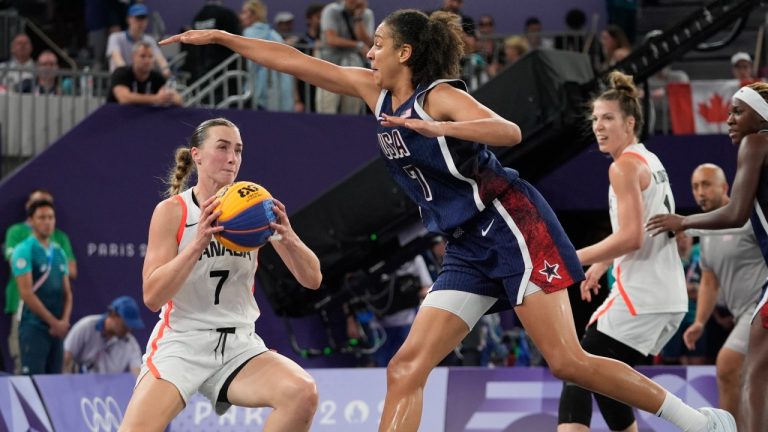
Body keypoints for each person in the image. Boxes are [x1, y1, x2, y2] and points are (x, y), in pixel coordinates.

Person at [160, 10, 736, 432]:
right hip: (464, 245)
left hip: (511, 224)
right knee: (405, 368)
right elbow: (296, 60)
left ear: (405, 54)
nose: (368, 53)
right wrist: (224, 38)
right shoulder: (374, 93)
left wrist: (444, 129)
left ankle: (696, 421)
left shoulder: (438, 97)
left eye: (379, 45)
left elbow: (507, 132)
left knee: (568, 361)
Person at [118, 118, 321, 431]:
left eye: (238, 150)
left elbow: (312, 279)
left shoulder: (253, 207)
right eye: (223, 148)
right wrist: (197, 244)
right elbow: (152, 296)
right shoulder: (174, 211)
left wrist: (288, 236)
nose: (232, 158)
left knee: (302, 393)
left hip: (238, 343)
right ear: (197, 155)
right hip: (183, 342)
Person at [558, 71, 689, 432]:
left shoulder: (623, 167)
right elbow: (637, 228)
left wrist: (571, 257)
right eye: (596, 119)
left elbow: (631, 238)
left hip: (643, 295)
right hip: (664, 294)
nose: (599, 126)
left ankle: (691, 420)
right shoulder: (648, 159)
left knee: (577, 365)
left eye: (608, 118)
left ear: (630, 122)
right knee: (602, 378)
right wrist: (600, 265)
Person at [646, 82, 768, 432]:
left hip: (757, 301)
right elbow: (711, 277)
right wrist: (700, 320)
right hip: (747, 304)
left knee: (751, 373)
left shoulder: (756, 141)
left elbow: (736, 214)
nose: (728, 119)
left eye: (738, 111)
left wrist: (681, 220)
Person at [680, 163, 768, 423]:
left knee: (728, 365)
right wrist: (699, 322)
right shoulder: (706, 230)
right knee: (751, 379)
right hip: (741, 315)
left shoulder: (747, 218)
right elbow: (709, 280)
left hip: (758, 310)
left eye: (706, 184)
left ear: (725, 187)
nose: (700, 192)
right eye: (695, 186)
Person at [4, 188, 77, 374]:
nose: (47, 222)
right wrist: (53, 322)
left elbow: (67, 292)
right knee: (31, 381)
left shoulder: (59, 251)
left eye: (51, 217)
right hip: (33, 325)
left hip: (57, 329)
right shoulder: (23, 249)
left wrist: (64, 321)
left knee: (54, 382)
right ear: (32, 221)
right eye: (42, 218)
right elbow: (26, 293)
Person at [315, 0, 373, 114]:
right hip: (329, 65)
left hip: (353, 65)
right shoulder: (331, 10)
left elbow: (367, 42)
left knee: (351, 109)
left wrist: (358, 18)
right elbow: (331, 39)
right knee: (327, 107)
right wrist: (357, 45)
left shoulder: (366, 14)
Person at [239, 0, 298, 112]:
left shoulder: (249, 32)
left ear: (254, 15)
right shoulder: (275, 35)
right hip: (277, 94)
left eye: (244, 12)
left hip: (261, 92)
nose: (241, 16)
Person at [63, 295, 145, 374]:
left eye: (131, 326)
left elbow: (137, 372)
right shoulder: (86, 326)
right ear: (113, 314)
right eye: (125, 325)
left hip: (110, 387)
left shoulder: (130, 342)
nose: (129, 329)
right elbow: (65, 358)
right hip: (77, 384)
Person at [107, 41, 182, 106]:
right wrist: (156, 98)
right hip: (116, 117)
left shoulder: (157, 77)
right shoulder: (121, 72)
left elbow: (178, 100)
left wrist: (170, 97)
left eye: (150, 57)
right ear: (133, 57)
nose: (147, 61)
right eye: (143, 56)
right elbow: (124, 98)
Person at [106, 4, 170, 76]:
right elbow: (117, 59)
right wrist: (132, 75)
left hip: (142, 83)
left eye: (143, 18)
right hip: (121, 81)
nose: (141, 22)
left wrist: (165, 69)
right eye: (138, 18)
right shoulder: (115, 37)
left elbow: (160, 59)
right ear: (128, 19)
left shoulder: (150, 40)